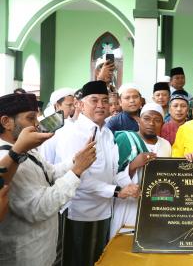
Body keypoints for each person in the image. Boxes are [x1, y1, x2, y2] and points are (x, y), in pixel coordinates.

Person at [0, 93, 96, 266]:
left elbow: (49, 173)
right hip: (25, 256)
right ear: (6, 122)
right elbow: (38, 208)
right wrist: (76, 171)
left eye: (36, 117)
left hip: (42, 250)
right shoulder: (6, 159)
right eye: (30, 118)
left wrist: (75, 160)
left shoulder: (25, 149)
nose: (37, 124)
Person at [54, 81, 139, 266]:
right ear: (81, 105)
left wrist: (128, 186)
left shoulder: (107, 133)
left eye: (104, 100)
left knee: (98, 260)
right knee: (77, 260)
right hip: (80, 212)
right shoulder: (74, 133)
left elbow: (113, 170)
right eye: (94, 100)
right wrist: (117, 191)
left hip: (104, 211)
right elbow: (78, 177)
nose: (100, 105)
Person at [110, 103, 171, 238]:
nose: (151, 123)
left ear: (162, 123)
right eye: (147, 118)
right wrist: (133, 166)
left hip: (155, 207)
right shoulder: (125, 140)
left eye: (157, 120)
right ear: (139, 120)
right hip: (128, 206)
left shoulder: (166, 145)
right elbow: (111, 177)